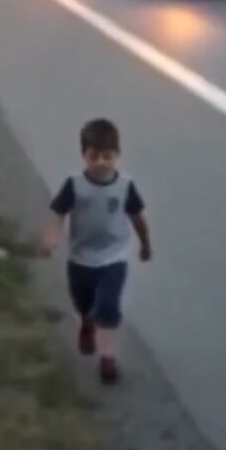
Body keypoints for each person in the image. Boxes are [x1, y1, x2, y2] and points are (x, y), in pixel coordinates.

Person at [40, 118, 152, 384]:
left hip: (113, 257)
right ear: (84, 155)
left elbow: (137, 217)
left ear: (117, 156)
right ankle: (86, 324)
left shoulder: (125, 186)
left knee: (109, 306)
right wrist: (53, 236)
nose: (101, 162)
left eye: (107, 156)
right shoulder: (75, 184)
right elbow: (58, 212)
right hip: (80, 258)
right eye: (94, 156)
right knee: (83, 303)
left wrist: (145, 244)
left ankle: (107, 358)